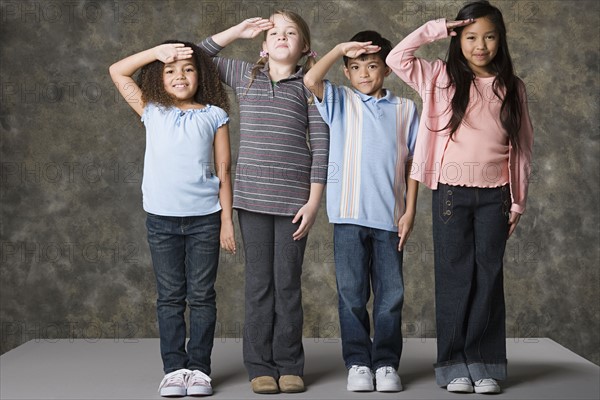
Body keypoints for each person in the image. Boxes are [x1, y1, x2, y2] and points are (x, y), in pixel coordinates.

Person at [386, 0, 534, 394]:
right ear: (458, 39)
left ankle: (485, 364)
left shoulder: (511, 87)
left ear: (500, 40)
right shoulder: (438, 78)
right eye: (470, 37)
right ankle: (453, 364)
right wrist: (437, 28)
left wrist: (517, 200)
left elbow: (522, 148)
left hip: (496, 196)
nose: (480, 45)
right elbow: (397, 56)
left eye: (488, 36)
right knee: (455, 278)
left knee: (488, 278)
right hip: (451, 195)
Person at [197, 11, 329, 394]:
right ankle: (259, 365)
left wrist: (314, 202)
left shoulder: (311, 85)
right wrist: (236, 30)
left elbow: (321, 146)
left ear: (304, 47)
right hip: (252, 201)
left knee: (287, 285)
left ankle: (289, 363)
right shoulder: (245, 75)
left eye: (292, 33)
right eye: (275, 33)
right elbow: (199, 57)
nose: (282, 37)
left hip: (294, 203)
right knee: (259, 285)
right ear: (263, 45)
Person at [109, 40, 235, 397]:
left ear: (202, 76)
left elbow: (225, 172)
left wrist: (226, 220)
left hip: (205, 220)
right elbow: (117, 71)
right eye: (171, 70)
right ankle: (174, 369)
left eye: (189, 69)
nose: (180, 76)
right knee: (169, 297)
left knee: (201, 296)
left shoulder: (214, 114)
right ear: (158, 77)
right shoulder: (151, 110)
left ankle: (199, 369)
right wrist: (156, 52)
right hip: (162, 220)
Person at [303, 31, 419, 393]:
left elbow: (414, 163)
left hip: (389, 219)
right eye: (355, 67)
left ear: (386, 69)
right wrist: (339, 48)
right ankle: (357, 362)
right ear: (347, 73)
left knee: (390, 297)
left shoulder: (405, 109)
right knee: (351, 296)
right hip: (348, 218)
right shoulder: (338, 99)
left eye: (372, 66)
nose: (364, 74)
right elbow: (310, 79)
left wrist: (410, 210)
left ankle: (385, 364)